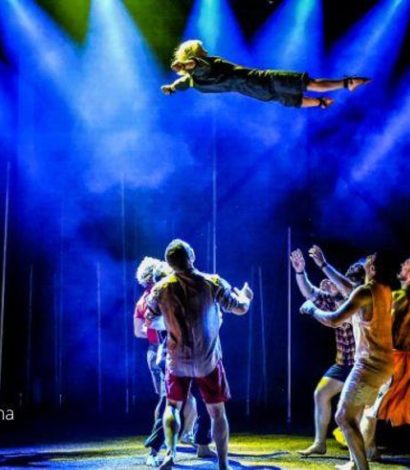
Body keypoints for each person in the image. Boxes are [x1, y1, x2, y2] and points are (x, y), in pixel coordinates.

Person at [146, 239, 253, 470]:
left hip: (177, 359)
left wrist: (171, 321)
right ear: (192, 256)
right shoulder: (212, 282)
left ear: (169, 263)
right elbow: (240, 308)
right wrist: (246, 297)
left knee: (172, 407)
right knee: (217, 413)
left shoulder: (160, 289)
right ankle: (223, 464)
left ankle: (170, 454)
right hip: (207, 360)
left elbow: (149, 318)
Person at [300, 252, 395, 470]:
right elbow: (348, 287)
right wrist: (324, 264)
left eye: (369, 261)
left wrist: (312, 309)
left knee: (344, 416)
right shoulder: (384, 290)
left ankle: (361, 466)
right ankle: (355, 462)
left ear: (372, 269)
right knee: (355, 416)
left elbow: (334, 319)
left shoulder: (364, 292)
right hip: (385, 366)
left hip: (368, 365)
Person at [134, 257, 206, 465]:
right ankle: (158, 448)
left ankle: (192, 440)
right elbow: (146, 326)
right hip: (170, 355)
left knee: (189, 400)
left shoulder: (170, 295)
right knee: (170, 401)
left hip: (184, 354)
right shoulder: (157, 298)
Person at [161, 39, 370, 109]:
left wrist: (171, 87)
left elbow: (183, 82)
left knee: (288, 99)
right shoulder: (203, 63)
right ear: (195, 54)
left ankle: (320, 103)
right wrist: (181, 64)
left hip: (256, 93)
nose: (205, 51)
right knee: (308, 83)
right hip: (260, 79)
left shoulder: (195, 82)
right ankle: (347, 83)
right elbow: (195, 65)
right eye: (201, 49)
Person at [290, 249, 357, 457]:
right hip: (343, 362)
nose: (331, 283)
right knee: (321, 394)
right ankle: (320, 443)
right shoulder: (333, 297)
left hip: (362, 363)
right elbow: (309, 292)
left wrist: (313, 309)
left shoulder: (357, 300)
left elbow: (335, 320)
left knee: (356, 411)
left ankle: (364, 452)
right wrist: (300, 271)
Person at [360, 257, 410, 459]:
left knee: (371, 409)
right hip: (397, 359)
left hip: (396, 360)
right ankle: (368, 450)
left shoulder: (397, 297)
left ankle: (365, 453)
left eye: (407, 264)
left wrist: (368, 276)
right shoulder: (394, 296)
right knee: (372, 408)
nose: (403, 265)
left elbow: (370, 306)